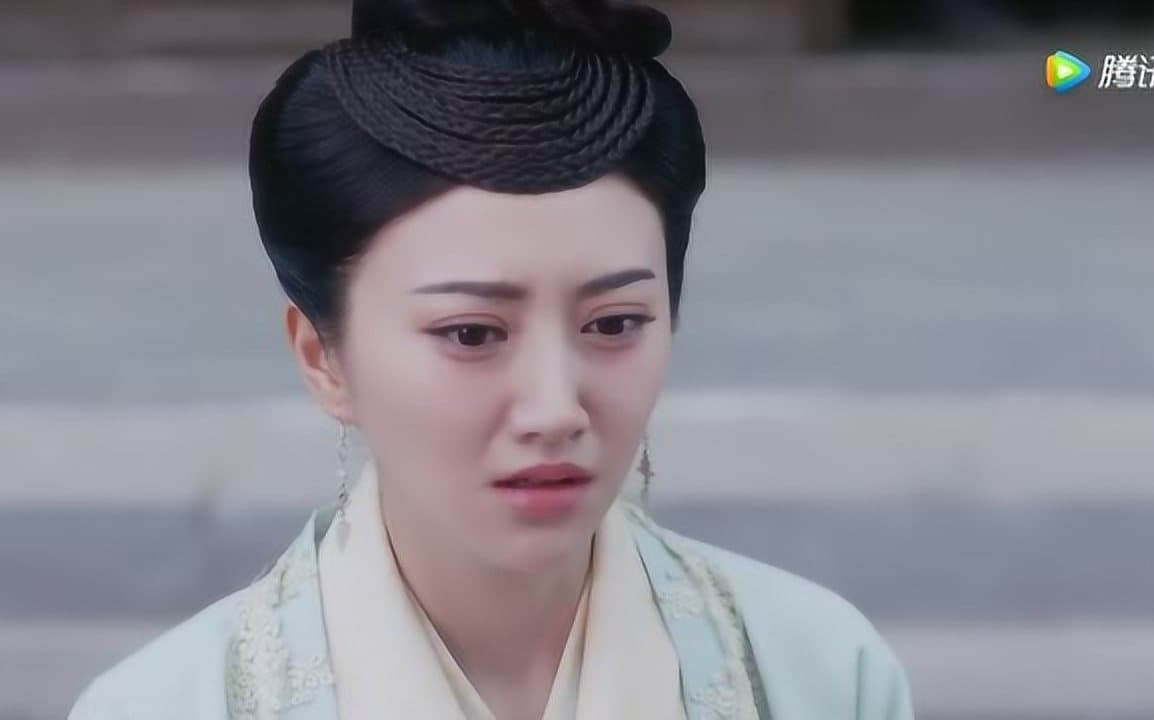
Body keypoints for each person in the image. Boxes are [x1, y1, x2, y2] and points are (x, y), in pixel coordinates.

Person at [68, 1, 912, 717]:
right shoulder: (161, 705)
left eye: (615, 323)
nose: (555, 408)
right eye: (472, 334)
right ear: (323, 357)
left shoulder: (818, 675)